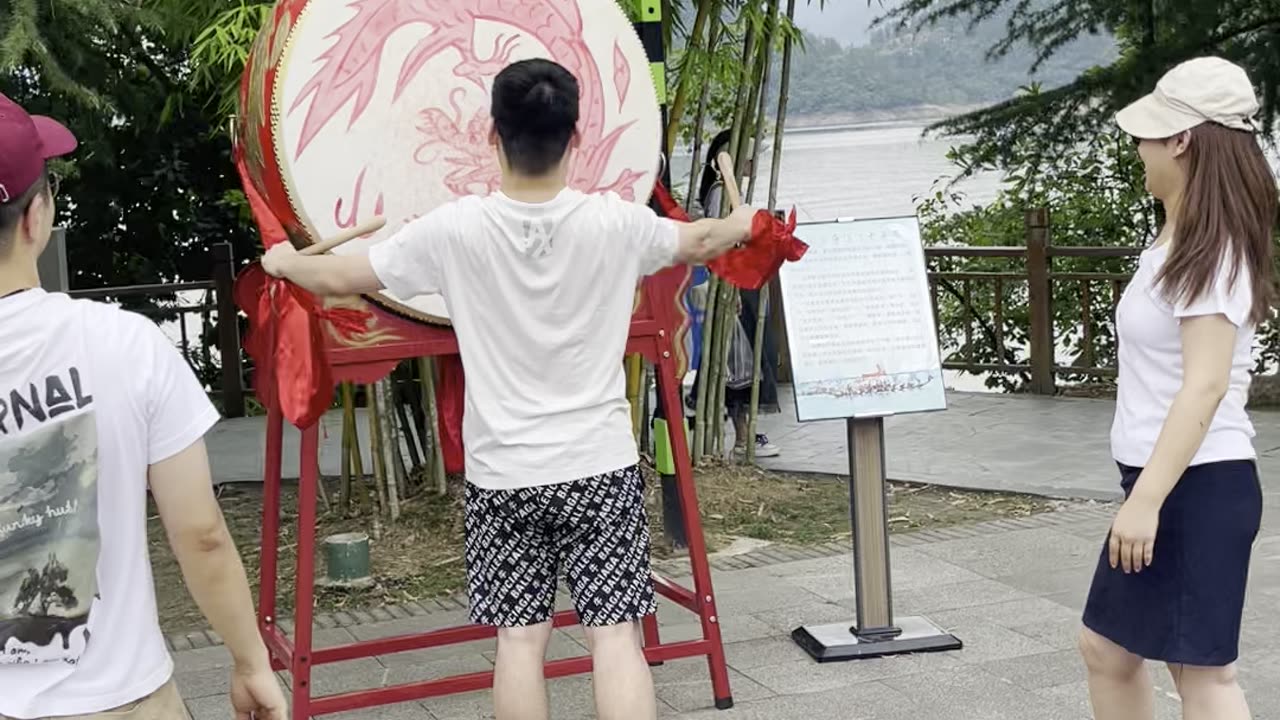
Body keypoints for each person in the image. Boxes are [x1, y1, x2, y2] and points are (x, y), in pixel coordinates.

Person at [260, 59, 754, 720]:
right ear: (575, 138)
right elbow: (703, 239)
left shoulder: (454, 229)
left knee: (520, 640)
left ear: (492, 134)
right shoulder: (616, 223)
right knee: (615, 636)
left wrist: (286, 261)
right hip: (598, 465)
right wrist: (746, 221)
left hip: (505, 472)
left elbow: (339, 278)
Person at [0, 94, 287, 720]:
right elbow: (202, 535)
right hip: (123, 698)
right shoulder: (125, 343)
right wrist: (249, 661)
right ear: (37, 214)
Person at [1078, 56, 1275, 720]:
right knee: (1111, 649)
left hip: (1197, 483)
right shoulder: (1180, 239)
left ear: (1182, 140)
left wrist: (1147, 502)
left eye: (1148, 135)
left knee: (1204, 674)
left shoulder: (1211, 247)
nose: (1139, 148)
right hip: (1170, 481)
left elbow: (1207, 385)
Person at [694, 129, 782, 458]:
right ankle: (743, 436)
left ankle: (745, 434)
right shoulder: (721, 194)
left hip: (741, 284)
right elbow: (722, 243)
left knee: (745, 362)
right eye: (745, 156)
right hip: (732, 285)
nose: (750, 163)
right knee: (740, 365)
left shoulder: (731, 194)